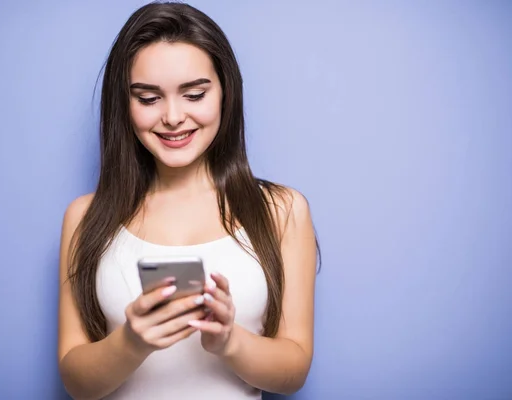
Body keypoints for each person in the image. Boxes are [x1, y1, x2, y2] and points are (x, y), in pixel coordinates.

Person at [57, 2, 319, 399]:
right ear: (123, 105)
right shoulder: (85, 216)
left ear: (225, 94)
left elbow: (294, 369)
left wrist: (230, 341)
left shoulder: (282, 210)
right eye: (148, 99)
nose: (174, 116)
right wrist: (131, 341)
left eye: (194, 94)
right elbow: (76, 380)